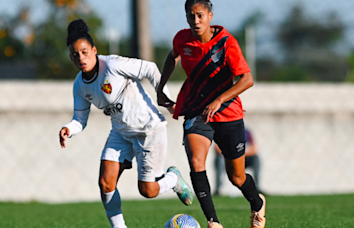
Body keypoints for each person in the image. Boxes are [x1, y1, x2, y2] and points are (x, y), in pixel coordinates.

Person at [59, 19, 193, 228]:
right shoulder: (79, 85)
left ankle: (173, 179)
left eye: (85, 52)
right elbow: (80, 120)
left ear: (94, 50)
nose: (81, 58)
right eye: (76, 55)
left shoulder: (112, 65)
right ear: (71, 58)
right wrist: (69, 129)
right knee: (105, 183)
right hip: (121, 133)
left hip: (150, 130)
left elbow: (150, 68)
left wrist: (165, 100)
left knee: (147, 191)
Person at [156, 1, 266, 228]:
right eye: (190, 16)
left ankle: (257, 203)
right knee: (197, 162)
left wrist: (219, 99)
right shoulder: (182, 39)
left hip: (228, 114)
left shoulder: (226, 43)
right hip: (196, 110)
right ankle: (213, 222)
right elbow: (171, 56)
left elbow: (247, 79)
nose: (195, 21)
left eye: (199, 15)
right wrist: (161, 88)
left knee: (236, 177)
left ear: (209, 15)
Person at [214, 129, 261, 196]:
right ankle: (218, 189)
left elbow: (254, 149)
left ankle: (257, 187)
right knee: (220, 159)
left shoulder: (246, 132)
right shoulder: (223, 130)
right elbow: (217, 148)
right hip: (227, 158)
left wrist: (239, 154)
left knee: (256, 159)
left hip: (243, 158)